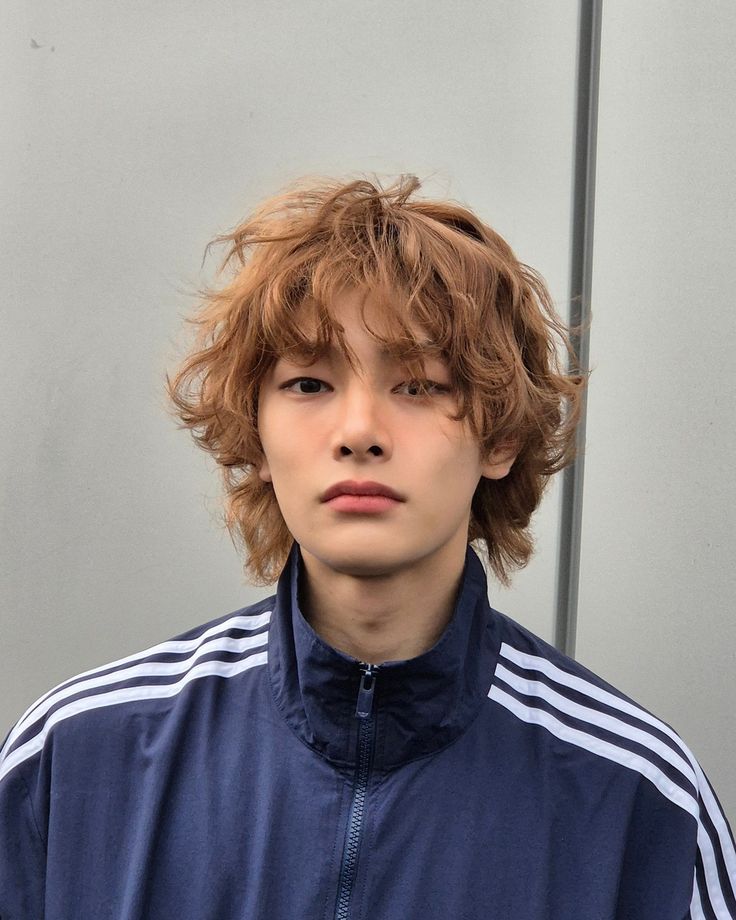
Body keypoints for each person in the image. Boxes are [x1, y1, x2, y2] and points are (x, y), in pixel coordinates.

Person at [1, 175, 734, 919]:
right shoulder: (76, 758)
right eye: (309, 383)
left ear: (502, 436)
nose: (359, 430)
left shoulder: (640, 797)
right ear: (253, 433)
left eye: (417, 385)